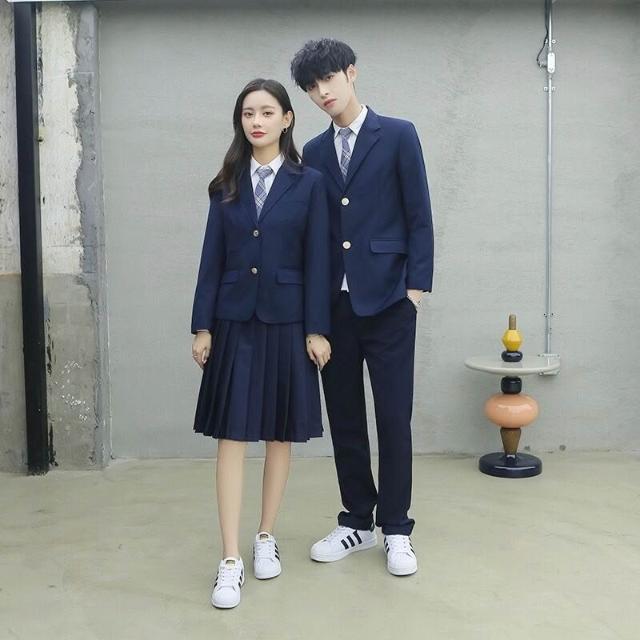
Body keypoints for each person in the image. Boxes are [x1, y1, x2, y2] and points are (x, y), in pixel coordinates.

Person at [290, 39, 434, 576]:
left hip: (391, 301)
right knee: (345, 416)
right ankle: (356, 520)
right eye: (311, 87)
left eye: (328, 79)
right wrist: (315, 317)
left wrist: (415, 291)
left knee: (394, 418)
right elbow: (313, 236)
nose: (322, 92)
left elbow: (419, 216)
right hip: (336, 309)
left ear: (351, 73)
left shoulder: (397, 135)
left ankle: (396, 528)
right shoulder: (313, 152)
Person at [191, 78, 331, 608]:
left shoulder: (310, 183)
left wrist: (317, 328)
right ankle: (230, 559)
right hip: (233, 321)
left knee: (279, 434)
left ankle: (265, 535)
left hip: (288, 320)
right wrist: (202, 325)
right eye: (248, 112)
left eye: (267, 112)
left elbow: (318, 261)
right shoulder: (225, 184)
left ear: (287, 119)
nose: (256, 121)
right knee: (231, 436)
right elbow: (211, 258)